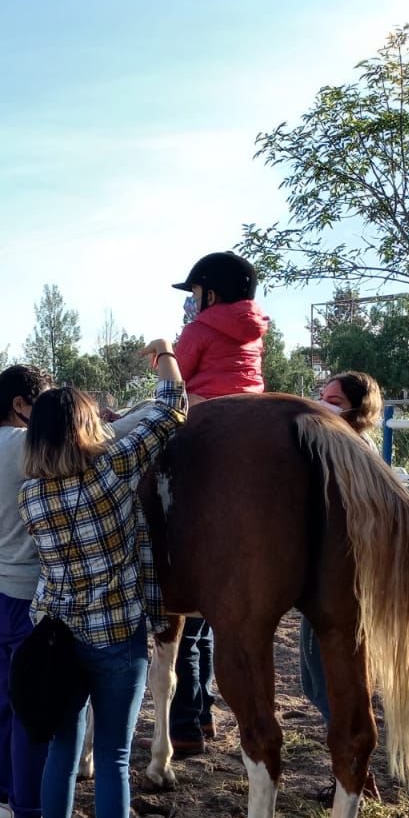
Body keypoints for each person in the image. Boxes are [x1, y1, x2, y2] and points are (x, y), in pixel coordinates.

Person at [18, 340, 187, 818]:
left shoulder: (32, 496)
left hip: (58, 637)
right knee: (113, 757)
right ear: (88, 425)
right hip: (116, 633)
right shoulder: (113, 468)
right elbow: (170, 408)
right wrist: (164, 353)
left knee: (63, 753)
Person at [166, 251, 269, 757]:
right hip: (253, 410)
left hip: (205, 412)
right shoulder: (256, 330)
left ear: (208, 293)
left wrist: (165, 352)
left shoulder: (200, 328)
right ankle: (203, 717)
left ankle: (185, 723)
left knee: (147, 461)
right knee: (207, 627)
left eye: (194, 294)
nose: (192, 303)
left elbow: (176, 383)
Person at [0, 365, 59, 818]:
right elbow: (93, 443)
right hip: (25, 597)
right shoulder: (26, 446)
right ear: (22, 404)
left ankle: (1, 798)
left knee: (6, 698)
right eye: (40, 402)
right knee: (34, 708)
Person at [300, 371, 384, 730]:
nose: (321, 405)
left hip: (339, 581)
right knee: (319, 677)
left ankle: (356, 774)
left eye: (333, 402)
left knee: (326, 679)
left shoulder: (350, 452)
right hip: (340, 579)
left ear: (358, 410)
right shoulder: (361, 448)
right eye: (321, 396)